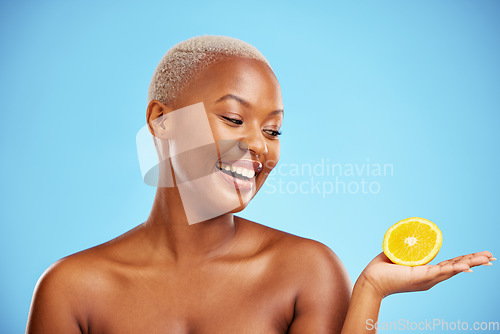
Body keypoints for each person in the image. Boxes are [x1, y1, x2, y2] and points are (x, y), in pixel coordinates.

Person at [26, 35, 494, 334]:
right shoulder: (71, 289)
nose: (260, 148)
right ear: (162, 121)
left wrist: (370, 290)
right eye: (234, 118)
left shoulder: (303, 271)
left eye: (273, 131)